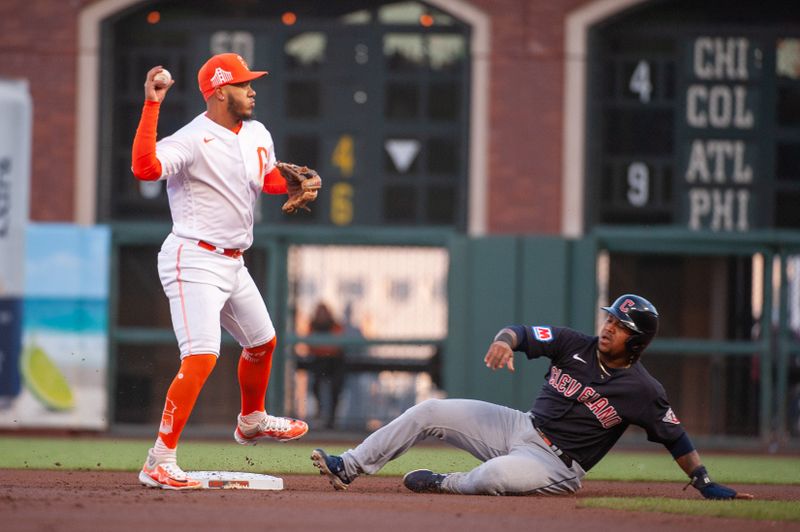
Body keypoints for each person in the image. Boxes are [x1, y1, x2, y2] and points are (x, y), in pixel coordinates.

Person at [311, 294, 754, 499]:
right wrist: (505, 340)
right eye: (610, 320)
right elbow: (523, 333)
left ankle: (443, 483)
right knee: (430, 409)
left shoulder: (643, 390)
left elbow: (675, 437)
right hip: (519, 426)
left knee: (490, 478)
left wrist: (704, 480)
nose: (608, 328)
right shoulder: (573, 343)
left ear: (636, 342)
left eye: (620, 327)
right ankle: (349, 466)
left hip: (556, 463)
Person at [131, 54, 311, 490]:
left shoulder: (256, 132)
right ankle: (160, 460)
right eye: (244, 84)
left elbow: (263, 177)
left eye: (252, 82)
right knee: (201, 355)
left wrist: (290, 182)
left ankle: (251, 420)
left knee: (263, 342)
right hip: (192, 256)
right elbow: (145, 168)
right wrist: (152, 104)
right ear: (218, 91)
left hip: (233, 260)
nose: (252, 91)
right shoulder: (191, 138)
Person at [306, 301, 346, 429]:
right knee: (316, 387)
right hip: (319, 362)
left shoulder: (335, 325)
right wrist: (324, 348)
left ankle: (332, 420)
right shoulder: (313, 325)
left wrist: (324, 348)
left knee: (335, 389)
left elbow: (336, 347)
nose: (322, 315)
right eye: (319, 313)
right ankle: (319, 416)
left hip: (335, 362)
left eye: (324, 313)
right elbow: (311, 346)